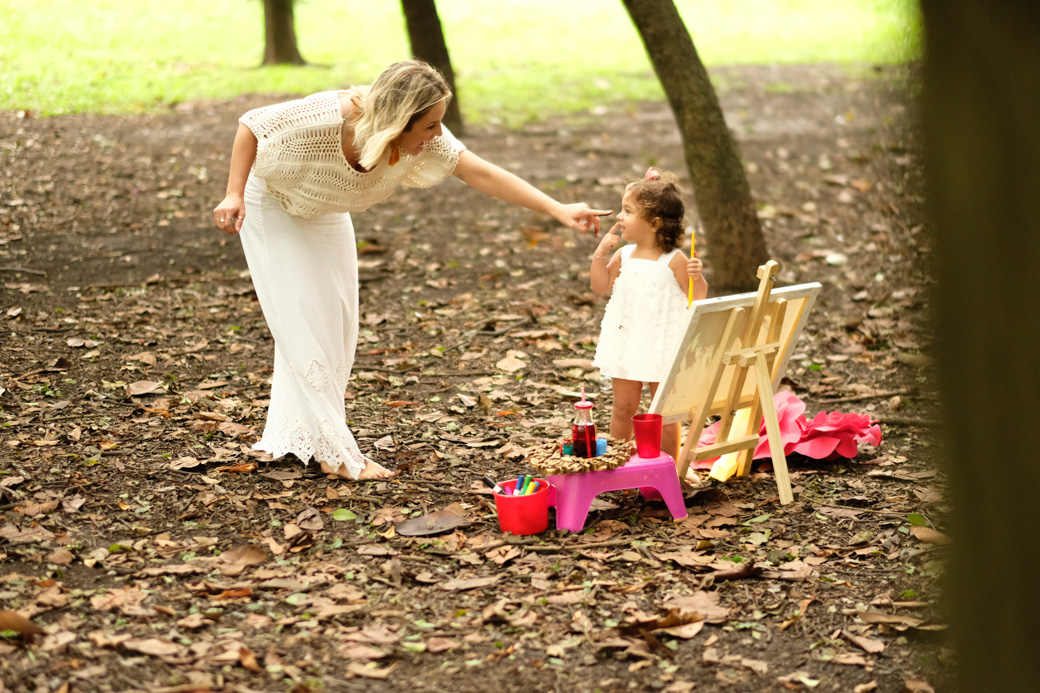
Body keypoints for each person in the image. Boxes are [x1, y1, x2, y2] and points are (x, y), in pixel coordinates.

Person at [213, 61, 609, 480]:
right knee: (301, 318)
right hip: (270, 200)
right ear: (398, 121)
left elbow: (481, 173)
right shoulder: (326, 115)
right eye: (430, 125)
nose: (438, 134)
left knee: (338, 322)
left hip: (324, 207)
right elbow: (252, 126)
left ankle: (307, 434)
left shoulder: (427, 139)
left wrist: (557, 208)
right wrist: (232, 193)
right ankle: (336, 454)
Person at [590, 167, 707, 477]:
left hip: (662, 344)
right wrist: (599, 256)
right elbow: (600, 286)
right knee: (623, 409)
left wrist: (698, 278)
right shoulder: (625, 255)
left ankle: (669, 469)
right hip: (628, 341)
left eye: (628, 211)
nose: (620, 217)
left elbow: (697, 301)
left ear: (655, 223)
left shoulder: (675, 260)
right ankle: (617, 466)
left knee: (665, 413)